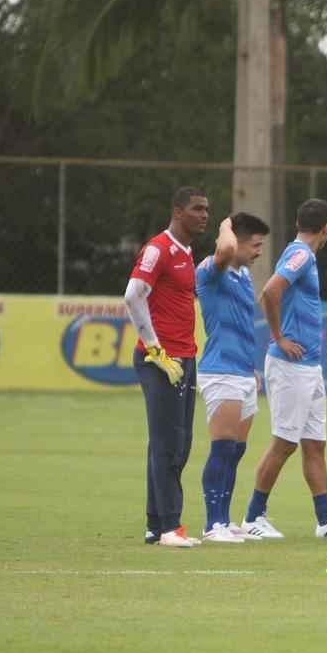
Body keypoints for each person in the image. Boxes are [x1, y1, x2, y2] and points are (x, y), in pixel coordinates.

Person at [241, 199, 327, 539]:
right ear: (325, 229)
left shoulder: (301, 254)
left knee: (314, 443)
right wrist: (279, 336)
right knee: (284, 442)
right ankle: (253, 517)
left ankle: (326, 520)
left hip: (308, 366)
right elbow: (270, 291)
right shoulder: (301, 255)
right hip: (290, 365)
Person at [124, 186, 209, 547]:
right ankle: (171, 527)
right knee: (167, 443)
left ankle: (155, 522)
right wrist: (156, 349)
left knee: (178, 442)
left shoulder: (187, 252)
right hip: (162, 360)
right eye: (197, 209)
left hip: (184, 357)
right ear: (177, 211)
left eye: (207, 209)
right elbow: (132, 295)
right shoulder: (158, 249)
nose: (204, 215)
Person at [195, 213, 271, 543]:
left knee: (236, 451)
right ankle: (213, 524)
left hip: (242, 371)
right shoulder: (212, 270)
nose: (259, 252)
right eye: (254, 245)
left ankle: (225, 520)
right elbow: (224, 250)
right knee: (222, 448)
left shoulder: (242, 276)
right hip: (220, 370)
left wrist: (252, 368)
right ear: (236, 241)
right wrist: (226, 226)